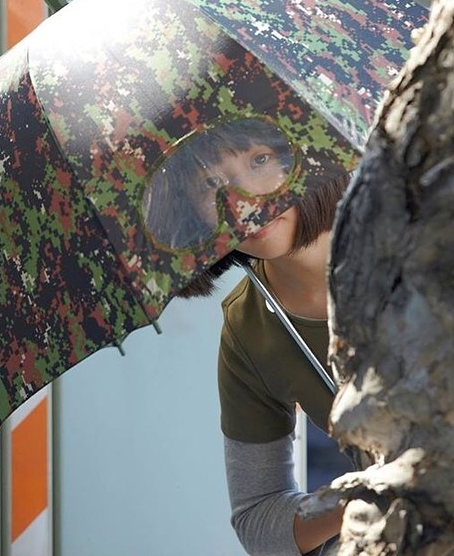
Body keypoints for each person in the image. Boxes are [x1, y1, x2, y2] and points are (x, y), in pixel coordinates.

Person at [143, 117, 352, 555]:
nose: (242, 200)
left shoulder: (412, 237)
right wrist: (358, 497)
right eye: (209, 183)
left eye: (260, 160)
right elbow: (259, 517)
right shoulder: (249, 327)